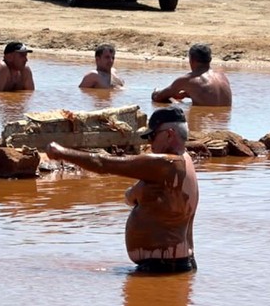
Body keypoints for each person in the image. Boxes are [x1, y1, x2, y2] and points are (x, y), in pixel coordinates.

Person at [45, 106, 198, 273]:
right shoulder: (186, 161)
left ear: (169, 134)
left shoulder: (166, 164)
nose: (149, 143)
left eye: (152, 136)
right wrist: (134, 194)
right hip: (175, 264)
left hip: (161, 268)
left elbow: (102, 164)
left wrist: (61, 152)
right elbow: (133, 197)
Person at [151, 43, 232, 107]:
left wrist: (156, 91)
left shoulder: (188, 79)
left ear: (191, 60)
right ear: (210, 59)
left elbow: (157, 97)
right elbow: (213, 98)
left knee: (170, 102)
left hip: (205, 121)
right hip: (222, 125)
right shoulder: (222, 76)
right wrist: (188, 94)